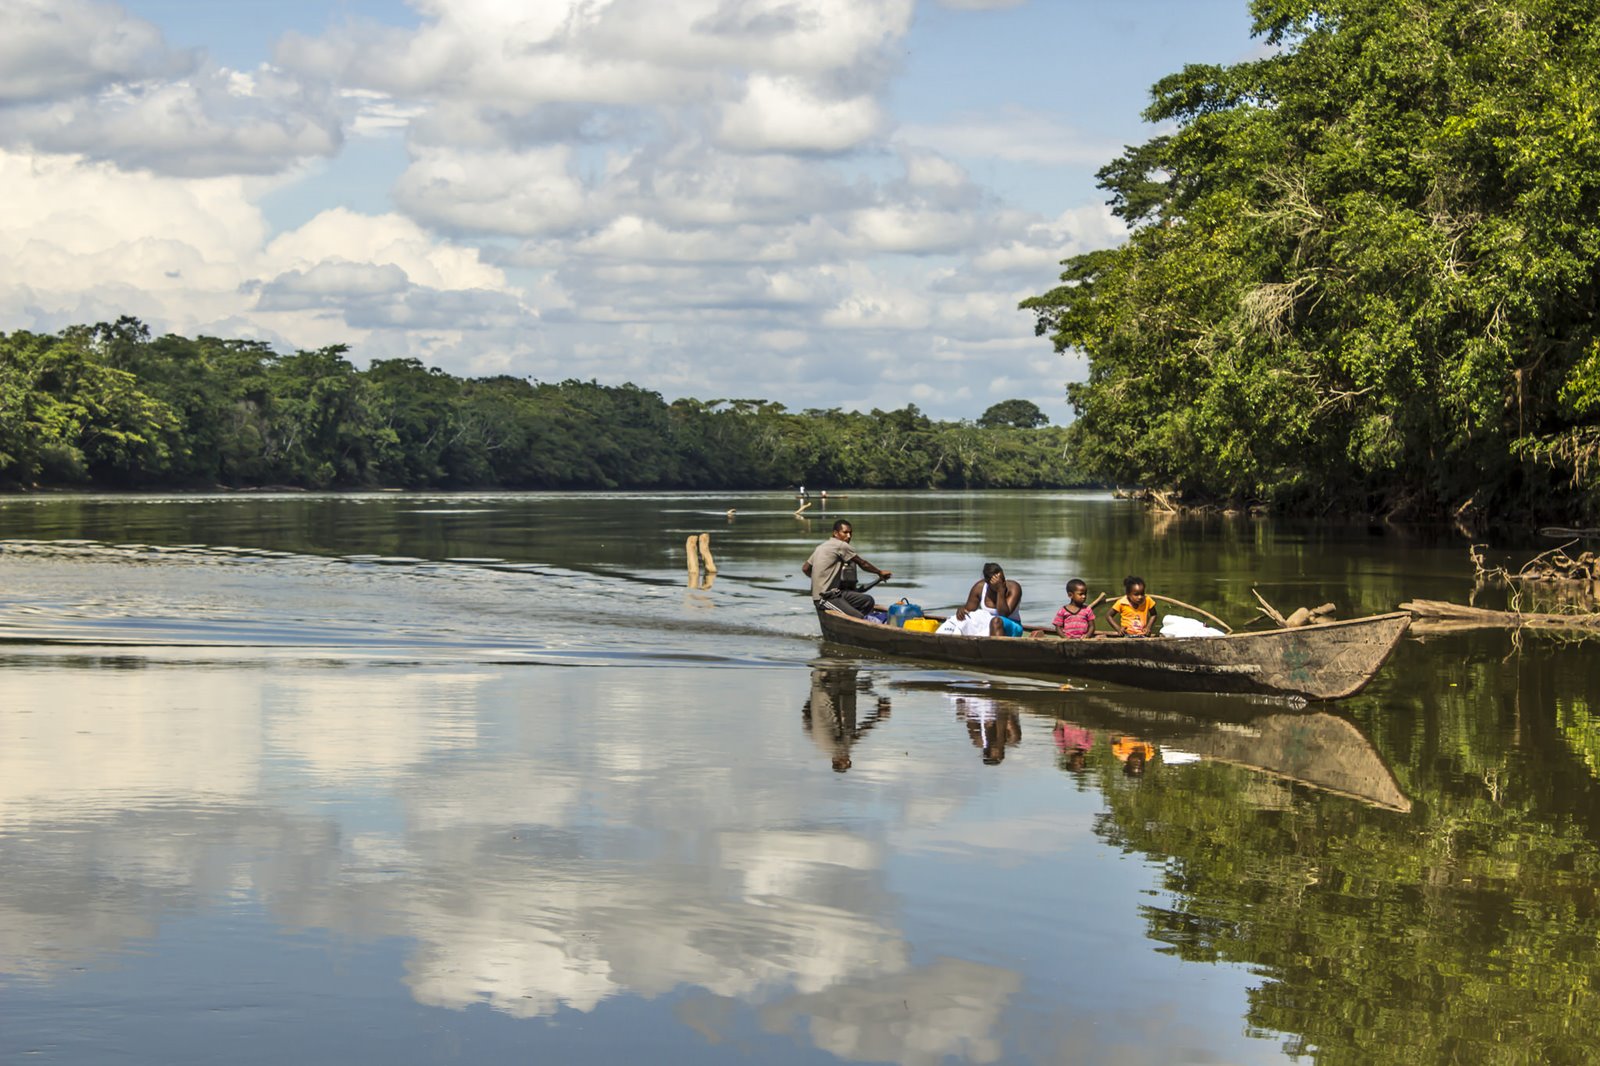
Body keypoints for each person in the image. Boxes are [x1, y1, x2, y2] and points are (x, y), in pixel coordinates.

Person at [803, 519, 891, 618]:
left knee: (867, 600)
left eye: (850, 533)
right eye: (845, 532)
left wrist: (819, 579)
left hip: (835, 594)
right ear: (835, 533)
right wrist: (879, 572)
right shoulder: (841, 545)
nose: (849, 536)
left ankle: (854, 622)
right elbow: (862, 563)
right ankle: (859, 622)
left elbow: (805, 568)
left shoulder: (821, 547)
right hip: (825, 598)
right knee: (858, 617)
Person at [936, 562, 1023, 637]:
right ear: (988, 582)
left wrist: (1000, 590)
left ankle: (996, 650)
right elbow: (968, 611)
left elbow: (1003, 614)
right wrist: (961, 611)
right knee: (961, 620)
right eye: (998, 582)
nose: (1003, 583)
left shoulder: (1014, 588)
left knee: (996, 621)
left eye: (1003, 579)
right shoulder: (979, 587)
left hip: (1012, 626)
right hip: (987, 625)